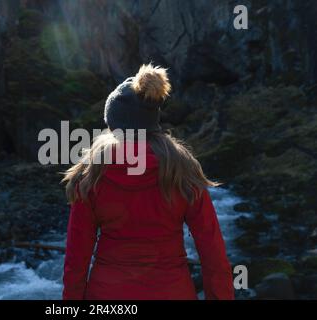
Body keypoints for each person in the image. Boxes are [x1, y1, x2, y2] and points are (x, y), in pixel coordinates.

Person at [62, 64, 234, 300]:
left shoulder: (90, 174)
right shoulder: (183, 169)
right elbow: (213, 254)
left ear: (113, 124)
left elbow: (76, 260)